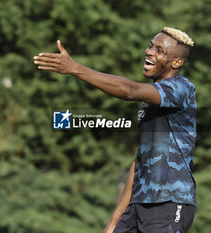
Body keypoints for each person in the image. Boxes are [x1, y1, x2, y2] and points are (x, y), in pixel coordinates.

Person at [34, 27, 197, 233]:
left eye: (159, 50)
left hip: (168, 202)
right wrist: (115, 219)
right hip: (137, 204)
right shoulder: (150, 102)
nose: (149, 52)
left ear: (177, 63)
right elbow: (140, 160)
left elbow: (129, 90)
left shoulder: (181, 88)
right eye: (150, 46)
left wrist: (75, 68)